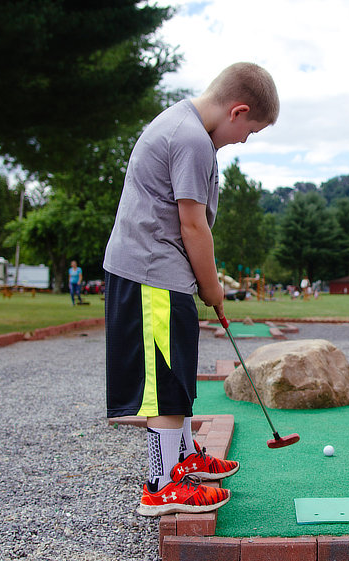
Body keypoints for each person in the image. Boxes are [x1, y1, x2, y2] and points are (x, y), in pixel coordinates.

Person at [102, 62, 279, 516]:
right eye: (250, 131)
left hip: (161, 274)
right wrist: (213, 288)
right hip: (151, 274)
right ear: (238, 111)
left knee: (177, 378)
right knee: (165, 385)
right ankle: (162, 487)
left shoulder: (183, 125)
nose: (244, 140)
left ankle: (182, 459)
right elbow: (193, 225)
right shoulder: (192, 139)